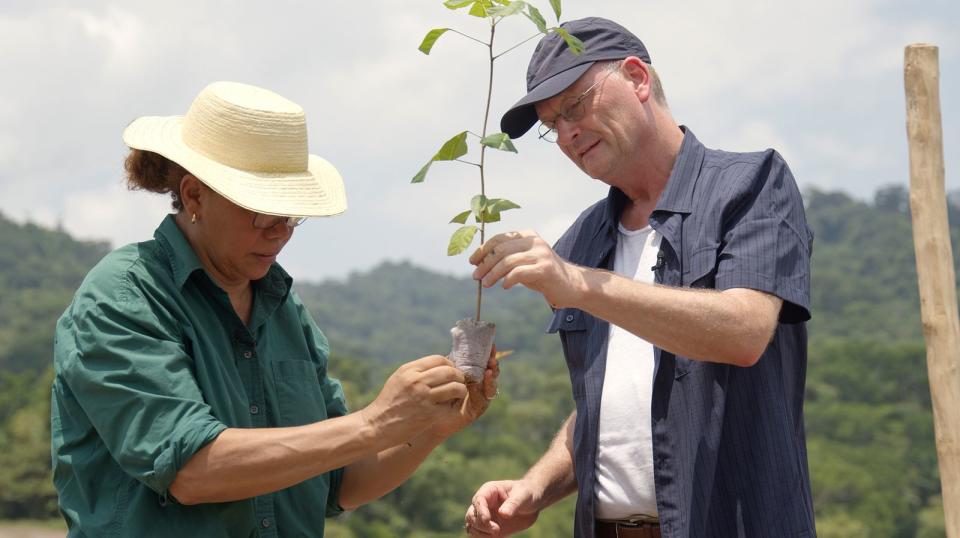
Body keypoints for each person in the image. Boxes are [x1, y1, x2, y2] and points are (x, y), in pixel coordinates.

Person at [51, 81, 499, 537]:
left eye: (290, 216)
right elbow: (192, 470)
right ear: (193, 196)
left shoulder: (281, 306)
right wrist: (375, 422)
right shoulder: (126, 295)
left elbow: (337, 483)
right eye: (261, 212)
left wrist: (427, 427)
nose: (279, 233)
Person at [463, 17, 815, 538]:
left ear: (637, 78)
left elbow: (744, 332)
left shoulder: (751, 185)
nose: (566, 133)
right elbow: (608, 406)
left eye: (575, 106)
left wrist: (578, 284)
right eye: (551, 124)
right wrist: (536, 486)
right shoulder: (584, 239)